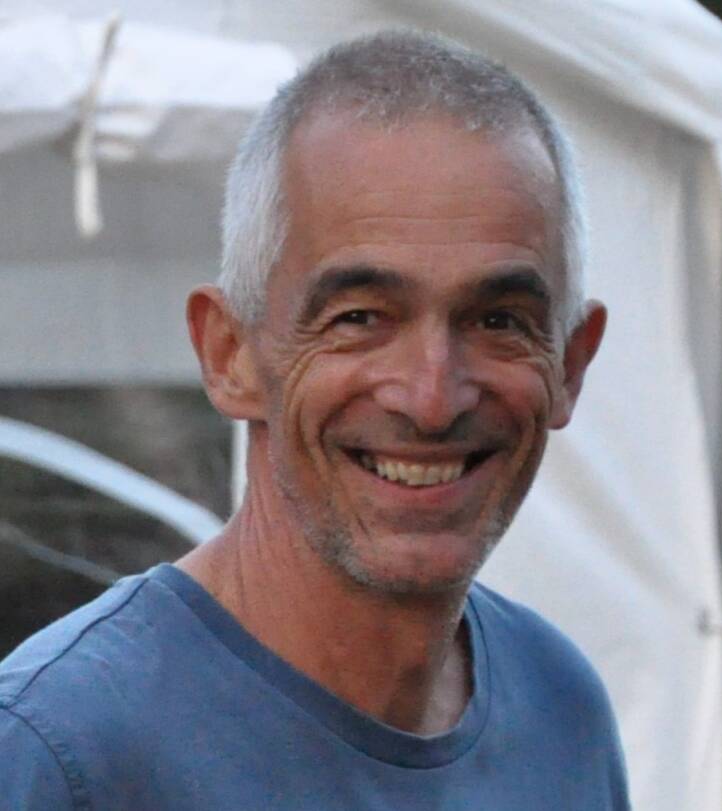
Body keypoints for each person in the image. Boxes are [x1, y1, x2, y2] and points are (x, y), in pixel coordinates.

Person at [0, 31, 630, 810]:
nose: (432, 398)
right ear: (230, 354)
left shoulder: (560, 711)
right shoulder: (61, 753)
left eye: (498, 319)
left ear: (570, 364)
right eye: (359, 317)